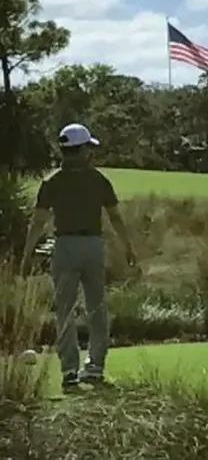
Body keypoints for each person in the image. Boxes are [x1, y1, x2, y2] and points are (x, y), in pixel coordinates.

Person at [21, 123, 136, 390]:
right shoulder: (98, 179)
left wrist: (27, 255)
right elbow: (115, 217)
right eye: (88, 147)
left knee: (64, 311)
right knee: (97, 308)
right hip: (93, 246)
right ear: (82, 149)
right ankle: (95, 366)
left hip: (64, 247)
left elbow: (37, 222)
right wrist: (128, 247)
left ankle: (70, 370)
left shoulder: (51, 182)